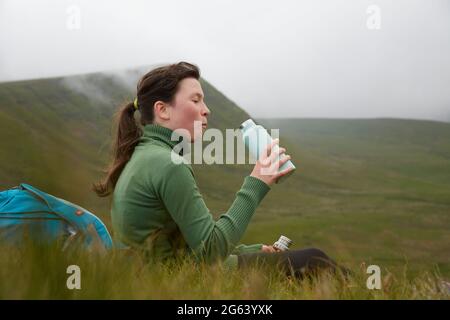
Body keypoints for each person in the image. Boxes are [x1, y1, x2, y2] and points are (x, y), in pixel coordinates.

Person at [93, 61, 348, 279]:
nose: (206, 110)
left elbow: (186, 246)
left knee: (303, 260)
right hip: (178, 277)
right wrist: (257, 181)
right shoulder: (167, 164)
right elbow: (209, 252)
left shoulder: (141, 156)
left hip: (156, 273)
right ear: (163, 110)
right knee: (314, 261)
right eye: (196, 100)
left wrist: (253, 251)